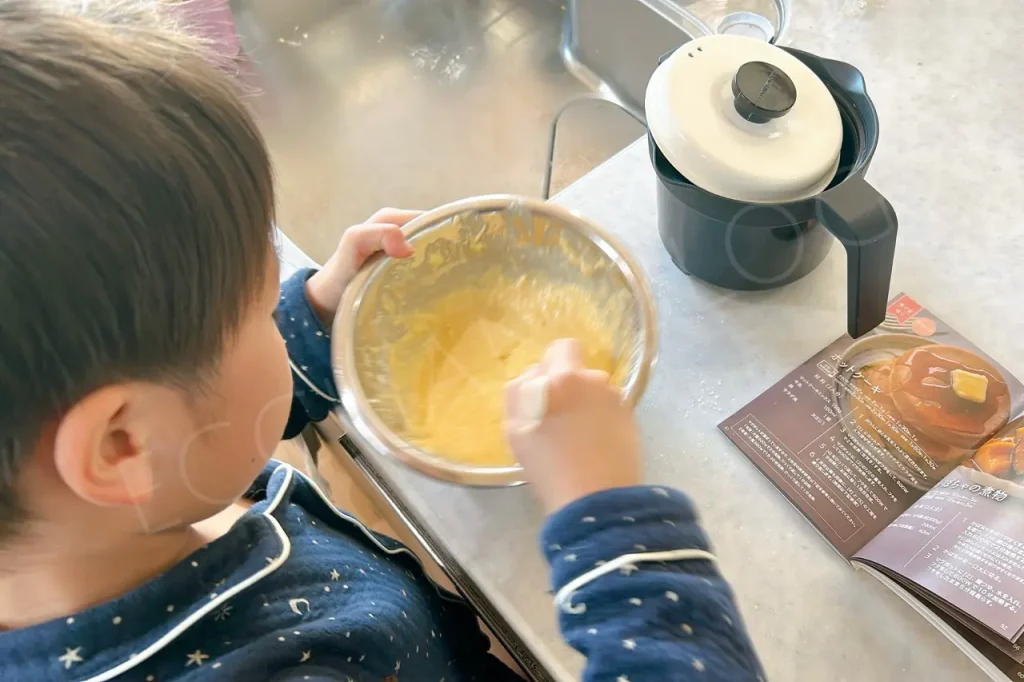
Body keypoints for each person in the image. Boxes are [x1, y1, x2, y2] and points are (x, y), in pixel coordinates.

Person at [0, 1, 765, 681]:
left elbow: (203, 431)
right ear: (120, 444)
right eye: (260, 307)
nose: (278, 308)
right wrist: (606, 512)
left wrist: (318, 319)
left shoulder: (85, 519)